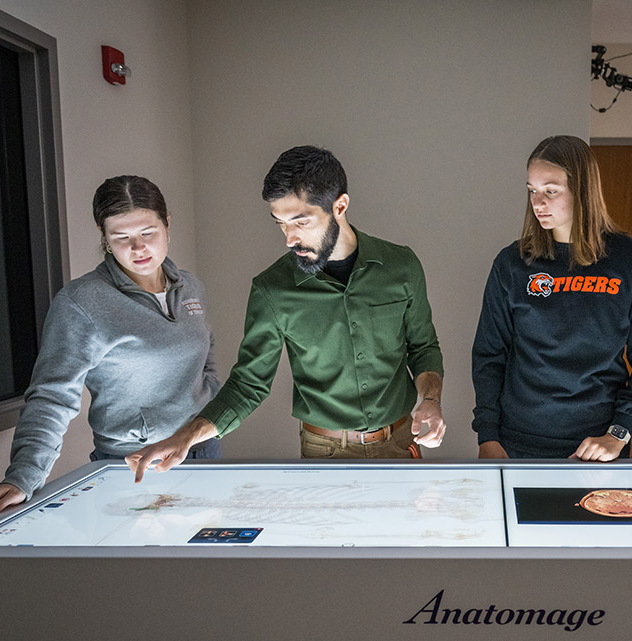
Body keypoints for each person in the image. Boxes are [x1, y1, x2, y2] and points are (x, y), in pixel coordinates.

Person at [0, 176, 222, 641]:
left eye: (148, 231)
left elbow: (207, 364)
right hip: (138, 468)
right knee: (171, 604)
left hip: (201, 458)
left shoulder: (189, 287)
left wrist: (208, 422)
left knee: (198, 594)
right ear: (103, 239)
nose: (137, 247)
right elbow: (53, 394)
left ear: (168, 225)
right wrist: (23, 477)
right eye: (119, 236)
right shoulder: (83, 303)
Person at [127, 145, 445, 477]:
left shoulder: (402, 266)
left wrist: (430, 401)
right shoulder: (272, 289)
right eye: (280, 223)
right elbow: (248, 385)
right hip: (324, 451)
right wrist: (184, 438)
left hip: (401, 441)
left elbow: (423, 348)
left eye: (300, 221)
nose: (289, 238)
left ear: (340, 205)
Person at [471, 134, 632, 460]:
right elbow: (490, 355)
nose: (537, 203)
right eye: (532, 191)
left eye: (551, 191)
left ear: (582, 190)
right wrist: (487, 436)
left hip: (598, 446)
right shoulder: (513, 264)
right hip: (517, 442)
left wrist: (618, 433)